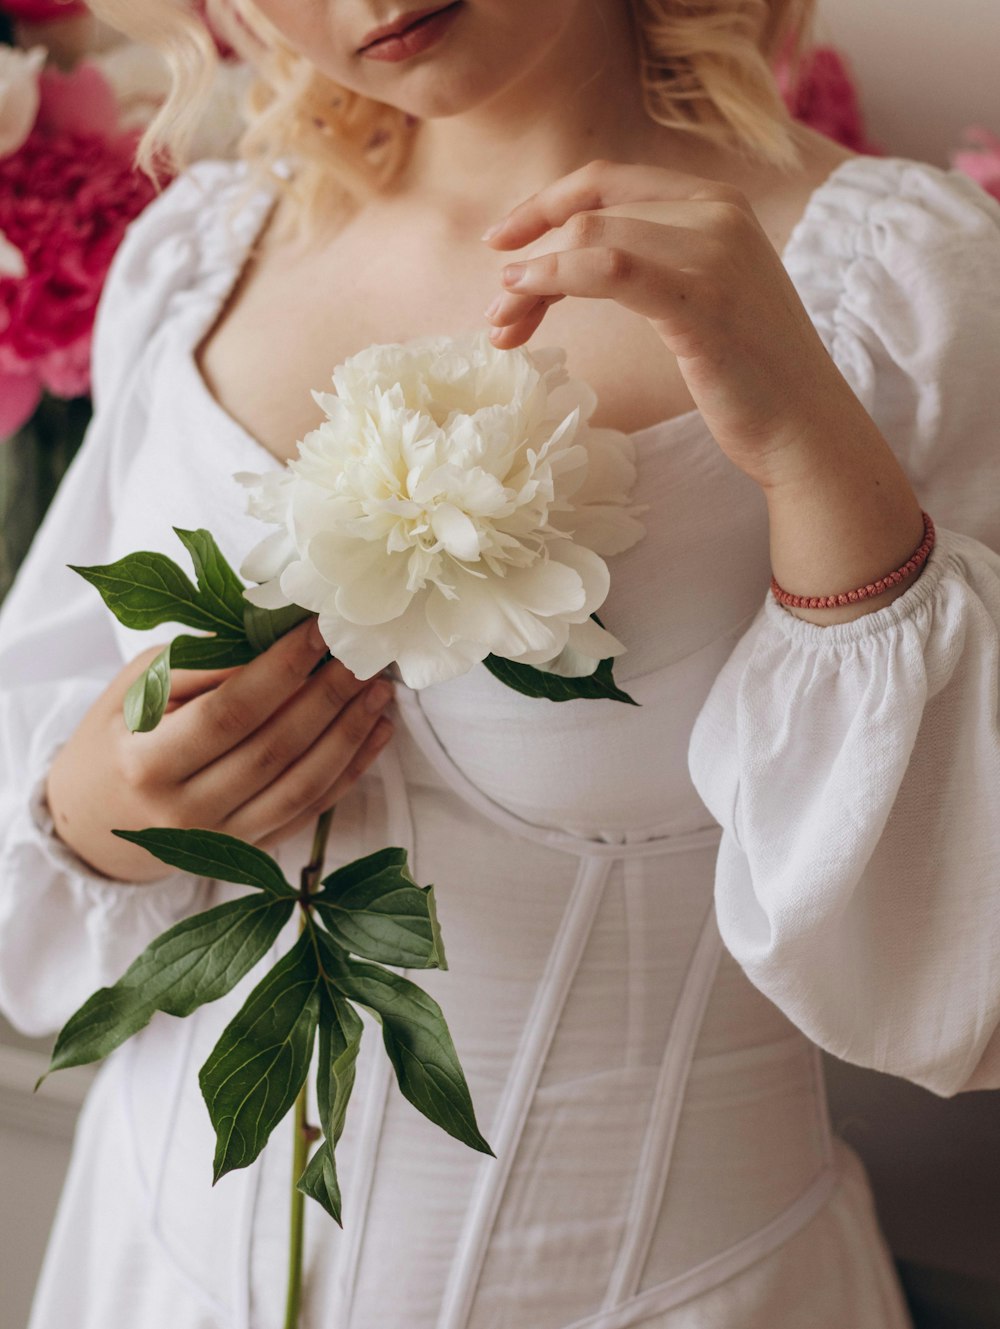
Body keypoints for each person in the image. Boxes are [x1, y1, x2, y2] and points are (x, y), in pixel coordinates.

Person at [1, 1, 999, 1325]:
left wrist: (812, 433)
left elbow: (953, 954)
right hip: (141, 1276)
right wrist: (88, 818)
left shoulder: (897, 288)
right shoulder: (194, 256)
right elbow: (42, 715)